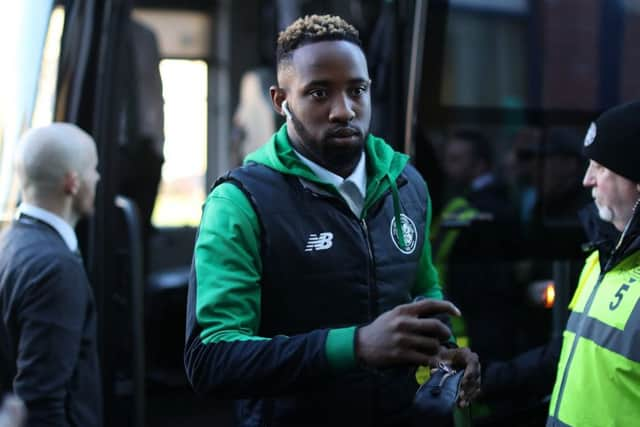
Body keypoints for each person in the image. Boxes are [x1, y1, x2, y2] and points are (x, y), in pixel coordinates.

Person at [184, 14, 480, 426]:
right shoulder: (239, 202)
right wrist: (355, 345)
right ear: (280, 100)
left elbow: (421, 289)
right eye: (319, 93)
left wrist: (443, 350)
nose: (344, 111)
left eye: (357, 90)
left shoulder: (406, 182)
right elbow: (211, 359)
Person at [0, 123, 102, 426]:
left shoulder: (8, 243)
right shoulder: (57, 270)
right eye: (93, 169)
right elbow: (41, 403)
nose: (97, 177)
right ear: (72, 182)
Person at [546, 100, 640, 426]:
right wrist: (491, 376)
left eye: (600, 167)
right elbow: (572, 352)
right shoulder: (601, 260)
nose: (587, 180)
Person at [432, 129, 518, 362]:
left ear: (480, 164)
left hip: (481, 318)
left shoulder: (488, 207)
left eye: (456, 159)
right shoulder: (464, 201)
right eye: (447, 159)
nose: (448, 167)